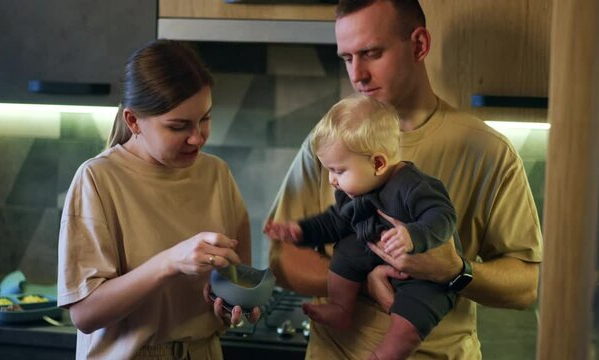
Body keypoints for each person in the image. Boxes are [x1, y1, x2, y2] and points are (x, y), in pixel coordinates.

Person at [266, 0, 543, 359]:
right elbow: (283, 259)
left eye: (371, 53)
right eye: (347, 58)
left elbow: (525, 287)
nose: (357, 74)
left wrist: (456, 271)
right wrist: (366, 277)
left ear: (419, 45)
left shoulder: (488, 151)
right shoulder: (332, 143)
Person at [57, 39, 259, 360]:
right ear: (133, 121)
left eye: (204, 118)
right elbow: (84, 315)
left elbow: (238, 279)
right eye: (178, 126)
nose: (197, 137)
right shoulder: (97, 179)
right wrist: (169, 262)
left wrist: (233, 304)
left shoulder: (217, 174)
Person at [264, 94, 461, 359]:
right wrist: (302, 231)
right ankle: (341, 308)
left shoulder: (415, 187)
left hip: (423, 277)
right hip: (373, 253)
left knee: (410, 324)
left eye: (338, 170)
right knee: (346, 250)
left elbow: (443, 217)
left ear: (378, 163)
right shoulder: (353, 191)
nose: (332, 180)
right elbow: (335, 221)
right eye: (329, 171)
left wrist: (412, 235)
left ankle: (384, 355)